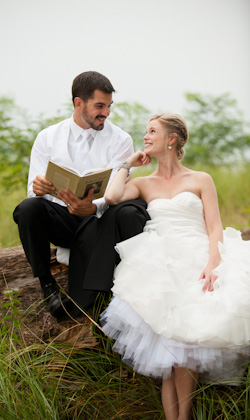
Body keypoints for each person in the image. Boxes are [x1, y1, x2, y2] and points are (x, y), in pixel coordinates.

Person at [100, 113, 250, 420]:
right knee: (168, 349)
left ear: (171, 139)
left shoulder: (200, 179)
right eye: (145, 131)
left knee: (186, 339)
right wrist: (128, 163)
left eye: (152, 131)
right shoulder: (143, 183)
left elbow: (215, 227)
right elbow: (112, 196)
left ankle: (184, 416)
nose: (146, 136)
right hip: (162, 263)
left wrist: (213, 263)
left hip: (198, 258)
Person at [13, 71, 148, 321]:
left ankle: (100, 298)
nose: (106, 113)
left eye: (109, 106)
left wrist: (92, 207)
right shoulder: (47, 137)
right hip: (61, 219)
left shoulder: (121, 140)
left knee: (123, 211)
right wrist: (39, 187)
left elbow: (115, 192)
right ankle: (47, 285)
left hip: (98, 222)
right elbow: (33, 190)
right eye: (99, 106)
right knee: (28, 208)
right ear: (78, 103)